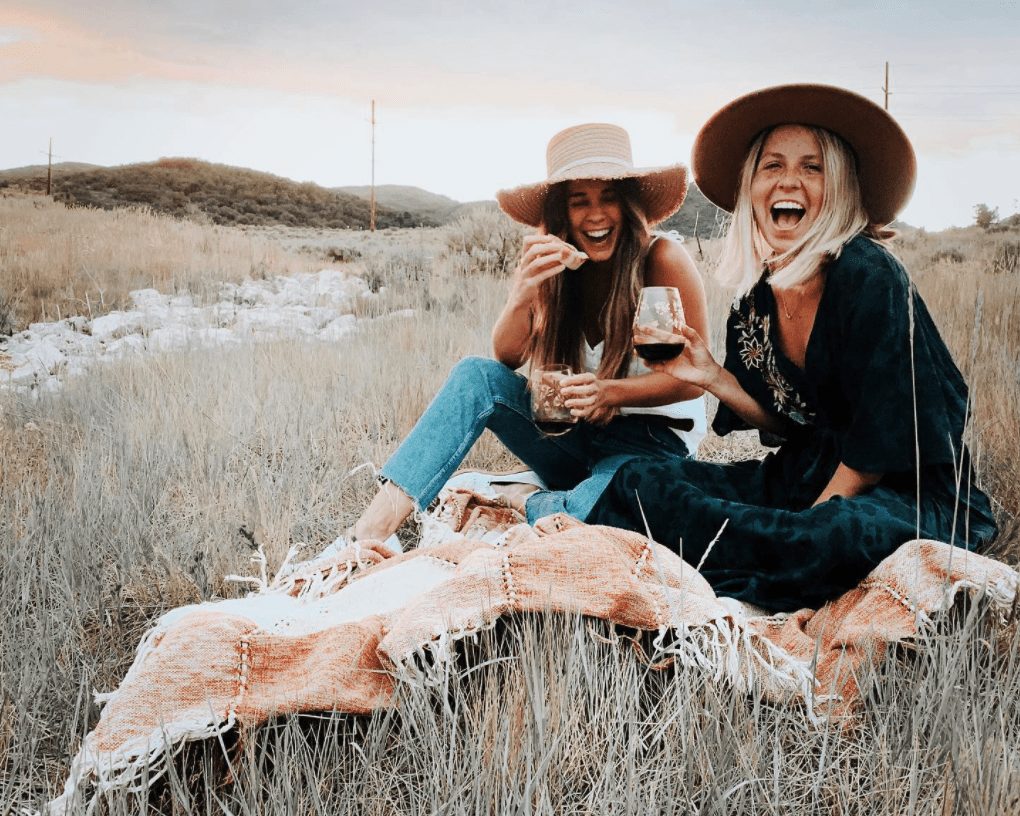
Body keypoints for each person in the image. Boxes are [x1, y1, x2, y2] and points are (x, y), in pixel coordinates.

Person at [585, 84, 998, 612]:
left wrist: (809, 522)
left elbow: (872, 455)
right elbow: (784, 428)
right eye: (772, 166)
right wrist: (712, 377)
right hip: (806, 474)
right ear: (751, 188)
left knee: (826, 540)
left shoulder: (868, 273)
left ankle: (715, 568)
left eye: (812, 168)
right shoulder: (755, 300)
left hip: (905, 492)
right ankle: (746, 560)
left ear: (840, 189)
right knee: (640, 479)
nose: (788, 181)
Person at [350, 123, 709, 546]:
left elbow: (691, 378)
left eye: (608, 197)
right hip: (574, 440)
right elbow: (505, 358)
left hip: (649, 451)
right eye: (580, 201)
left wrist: (608, 393)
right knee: (475, 376)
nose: (596, 214)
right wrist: (523, 292)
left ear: (627, 204)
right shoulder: (554, 265)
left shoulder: (661, 258)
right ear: (563, 213)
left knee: (595, 520)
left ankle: (526, 499)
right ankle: (368, 534)